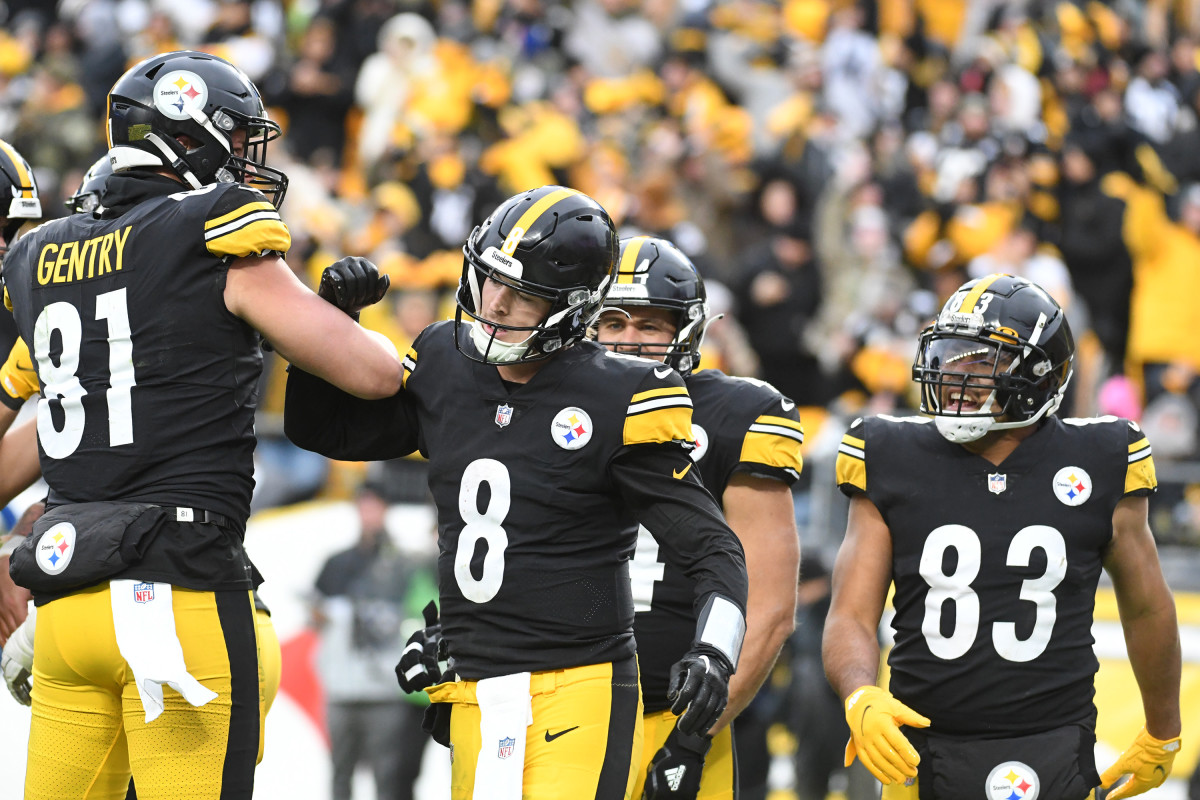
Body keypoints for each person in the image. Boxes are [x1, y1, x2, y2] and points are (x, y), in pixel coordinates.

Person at [1, 49, 401, 800]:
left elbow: (37, 436)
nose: (249, 167)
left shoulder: (38, 254)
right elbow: (371, 375)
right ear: (189, 137)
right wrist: (345, 320)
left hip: (68, 607)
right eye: (239, 142)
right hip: (176, 593)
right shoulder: (210, 225)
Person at [285, 185, 750, 800]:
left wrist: (715, 651)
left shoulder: (622, 395)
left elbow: (713, 547)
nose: (495, 303)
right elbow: (321, 428)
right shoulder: (445, 362)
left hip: (579, 686)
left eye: (522, 293)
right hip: (475, 687)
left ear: (574, 307)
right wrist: (327, 322)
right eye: (489, 280)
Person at [822, 273, 1182, 800]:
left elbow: (1147, 607)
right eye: (947, 355)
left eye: (977, 360)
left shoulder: (1103, 457)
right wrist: (860, 695)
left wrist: (1163, 731)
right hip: (922, 747)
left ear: (1038, 372)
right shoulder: (889, 452)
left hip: (1056, 744)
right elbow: (850, 613)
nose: (950, 375)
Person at [589, 235, 802, 800]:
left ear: (686, 331)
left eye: (650, 325)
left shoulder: (738, 414)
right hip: (560, 706)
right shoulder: (554, 404)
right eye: (613, 322)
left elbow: (771, 607)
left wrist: (693, 735)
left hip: (674, 710)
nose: (629, 341)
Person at [311, 480, 433, 800]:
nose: (369, 512)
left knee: (389, 776)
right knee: (341, 773)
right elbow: (314, 618)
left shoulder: (405, 564)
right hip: (341, 689)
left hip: (386, 691)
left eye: (375, 504)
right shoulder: (336, 563)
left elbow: (419, 613)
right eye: (363, 504)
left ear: (387, 509)